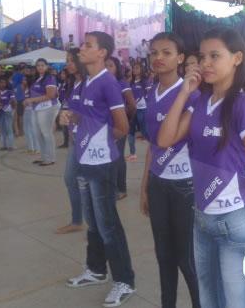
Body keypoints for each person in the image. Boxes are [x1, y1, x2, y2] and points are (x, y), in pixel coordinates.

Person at [158, 27, 245, 308]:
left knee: (238, 302)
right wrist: (185, 92)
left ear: (236, 58)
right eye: (202, 56)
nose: (205, 63)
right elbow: (165, 139)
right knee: (209, 300)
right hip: (202, 217)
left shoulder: (243, 106)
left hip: (234, 220)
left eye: (214, 56)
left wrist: (244, 191)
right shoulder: (200, 103)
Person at [64, 31, 135, 307]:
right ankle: (95, 270)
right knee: (93, 221)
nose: (81, 48)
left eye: (87, 45)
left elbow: (123, 126)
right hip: (84, 160)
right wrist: (71, 116)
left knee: (108, 225)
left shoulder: (108, 83)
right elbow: (86, 117)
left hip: (101, 164)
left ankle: (125, 280)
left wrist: (100, 146)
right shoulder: (84, 83)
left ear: (102, 52)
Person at [139, 32, 200, 308]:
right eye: (154, 52)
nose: (158, 57)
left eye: (165, 52)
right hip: (158, 183)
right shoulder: (151, 94)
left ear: (180, 58)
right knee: (163, 255)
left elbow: (175, 140)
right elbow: (153, 145)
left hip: (185, 186)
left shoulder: (192, 95)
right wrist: (144, 187)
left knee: (187, 258)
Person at [56, 48, 85, 235]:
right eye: (67, 60)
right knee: (71, 178)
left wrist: (74, 116)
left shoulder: (89, 83)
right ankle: (77, 220)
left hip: (88, 140)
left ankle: (93, 228)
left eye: (72, 60)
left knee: (89, 183)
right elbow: (69, 107)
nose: (68, 63)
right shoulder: (73, 83)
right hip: (75, 137)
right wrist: (63, 114)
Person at [105, 56, 136, 200]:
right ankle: (111, 187)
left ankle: (121, 189)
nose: (107, 68)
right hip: (104, 127)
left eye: (110, 65)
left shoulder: (121, 83)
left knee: (117, 157)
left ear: (117, 68)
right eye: (105, 66)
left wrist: (124, 120)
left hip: (118, 126)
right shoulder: (101, 83)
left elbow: (132, 105)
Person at [24, 58, 58, 166]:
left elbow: (50, 95)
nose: (40, 67)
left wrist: (31, 100)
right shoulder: (38, 78)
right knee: (38, 134)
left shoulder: (50, 78)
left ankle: (50, 158)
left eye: (42, 65)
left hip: (47, 108)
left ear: (47, 66)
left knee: (46, 133)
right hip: (36, 108)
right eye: (38, 65)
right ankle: (44, 157)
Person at [128, 62, 149, 160]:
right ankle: (133, 154)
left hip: (142, 109)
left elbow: (149, 95)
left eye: (137, 68)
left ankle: (154, 149)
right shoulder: (131, 82)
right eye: (134, 68)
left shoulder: (144, 81)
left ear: (141, 69)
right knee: (130, 131)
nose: (135, 70)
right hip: (133, 111)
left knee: (144, 131)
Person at [0, 76, 16, 151]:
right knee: (2, 129)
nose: (3, 84)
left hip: (8, 111)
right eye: (1, 82)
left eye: (4, 82)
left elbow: (13, 100)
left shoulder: (9, 91)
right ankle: (4, 145)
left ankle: (11, 145)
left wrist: (12, 108)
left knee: (9, 128)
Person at [21, 77, 39, 155]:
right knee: (26, 128)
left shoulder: (32, 89)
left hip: (32, 110)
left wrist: (28, 102)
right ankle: (30, 148)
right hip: (27, 110)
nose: (23, 81)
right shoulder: (25, 89)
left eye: (25, 80)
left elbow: (35, 99)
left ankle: (37, 148)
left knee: (32, 129)